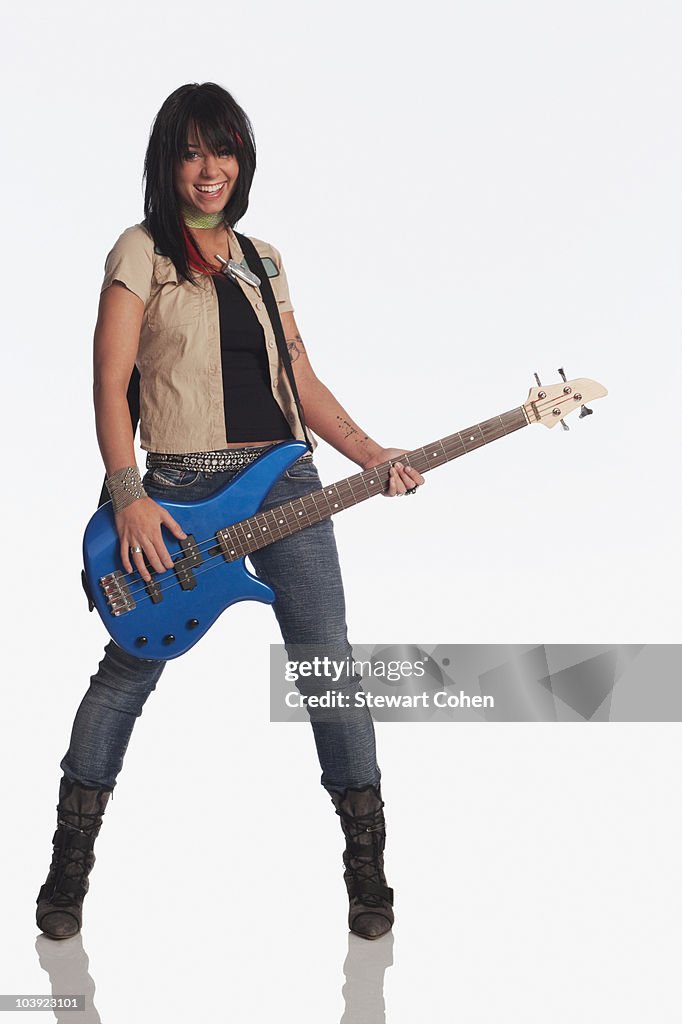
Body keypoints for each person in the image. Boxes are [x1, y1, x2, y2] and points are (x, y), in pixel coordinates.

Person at [36, 82, 424, 943]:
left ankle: (367, 874)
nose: (210, 170)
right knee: (128, 670)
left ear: (242, 160)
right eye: (192, 151)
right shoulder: (140, 251)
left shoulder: (265, 258)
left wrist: (371, 455)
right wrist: (129, 492)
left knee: (327, 670)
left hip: (286, 487)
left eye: (225, 151)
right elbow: (108, 382)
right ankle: (68, 867)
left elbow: (301, 376)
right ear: (168, 162)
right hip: (171, 492)